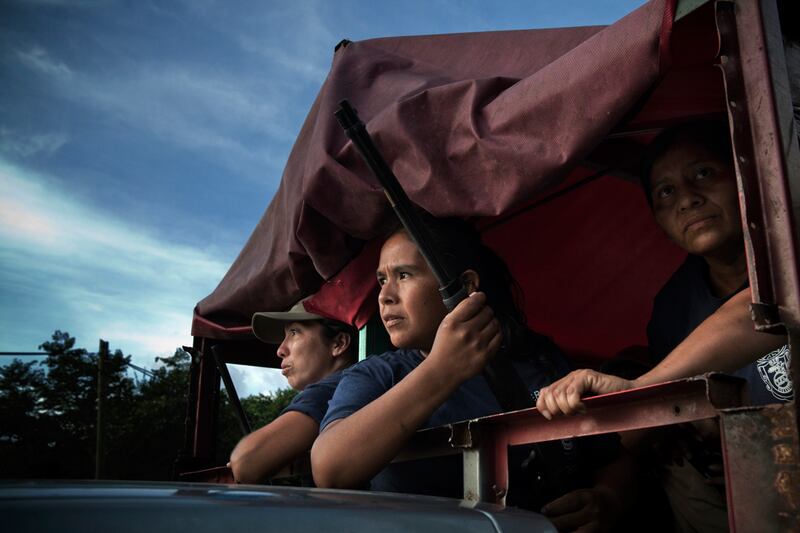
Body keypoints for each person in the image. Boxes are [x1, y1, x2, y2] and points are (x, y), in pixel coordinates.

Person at [311, 217, 633, 531]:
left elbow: (611, 456)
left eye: (404, 275)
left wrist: (609, 498)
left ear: (465, 286)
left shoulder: (538, 357)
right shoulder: (377, 375)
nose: (384, 296)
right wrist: (441, 370)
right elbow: (330, 469)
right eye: (382, 280)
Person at [535, 119, 792, 420]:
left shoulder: (791, 248)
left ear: (744, 180)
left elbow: (762, 307)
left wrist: (640, 387)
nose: (688, 199)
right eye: (666, 192)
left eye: (703, 173)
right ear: (660, 224)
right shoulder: (672, 310)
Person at [228, 299, 358, 484]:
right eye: (285, 336)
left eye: (294, 332)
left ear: (339, 343)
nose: (280, 350)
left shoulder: (330, 390)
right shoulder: (364, 381)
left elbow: (246, 461)